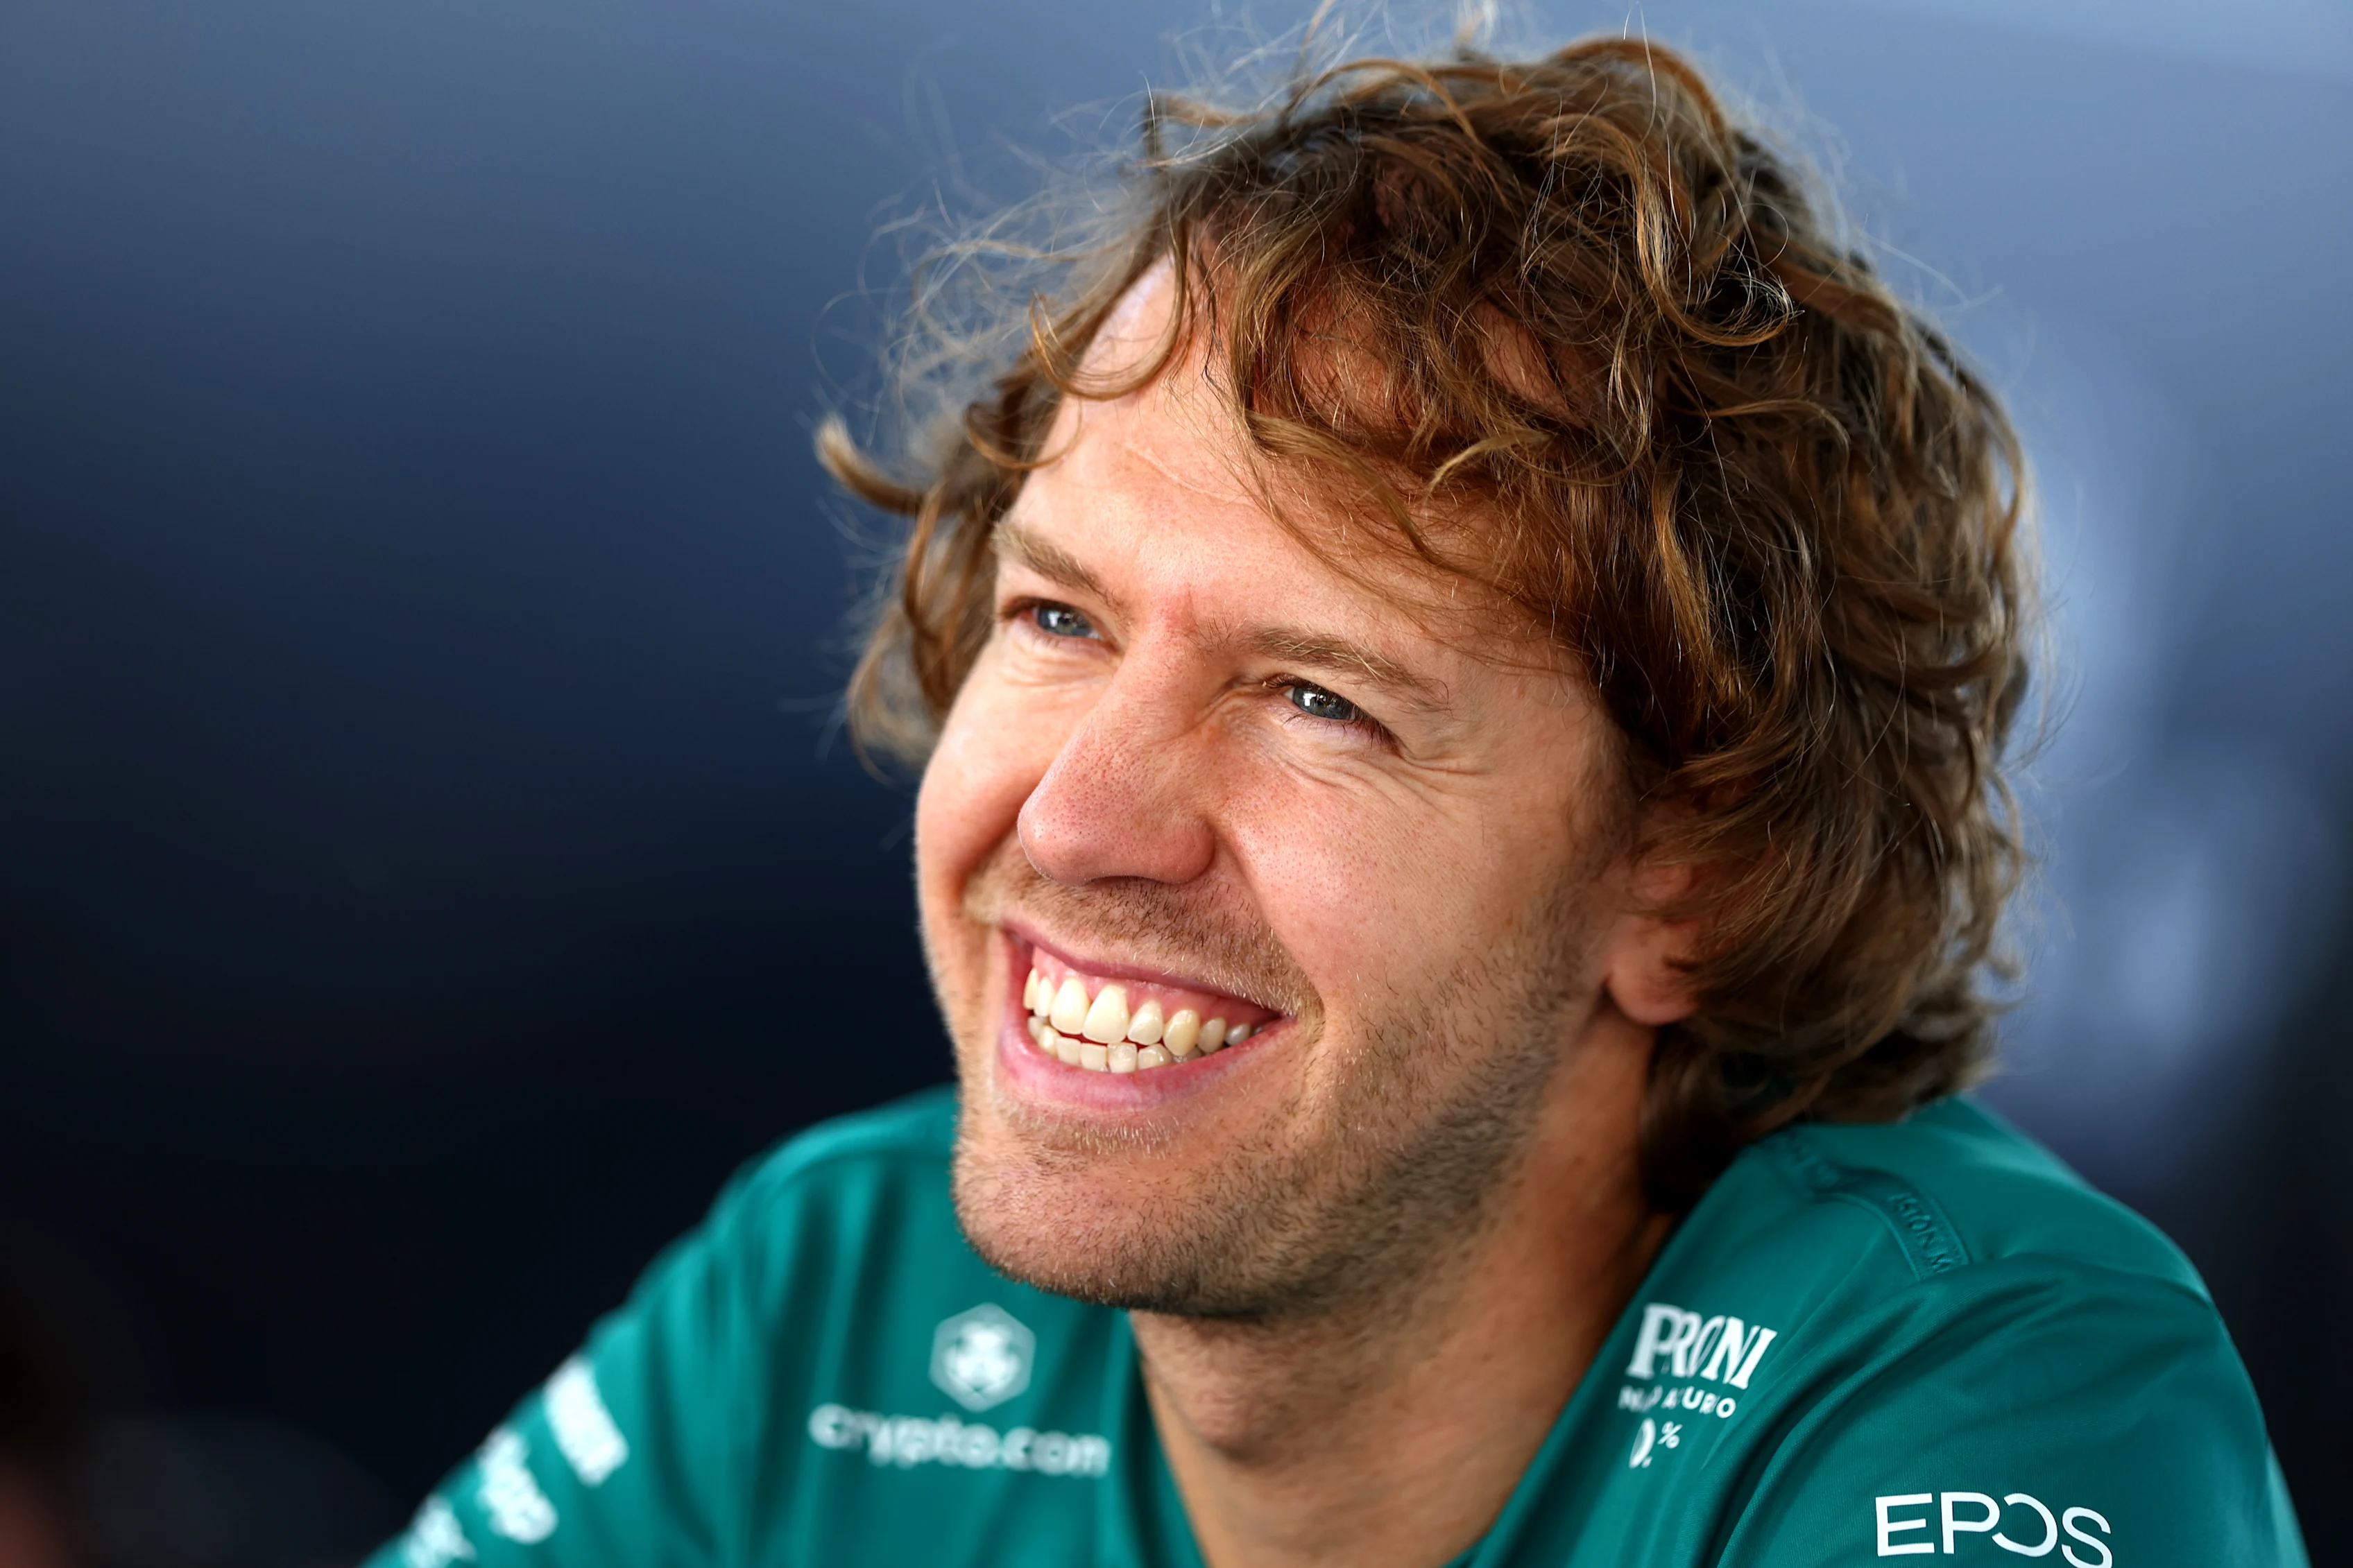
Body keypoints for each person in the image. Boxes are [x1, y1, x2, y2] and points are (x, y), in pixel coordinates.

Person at [370, 28, 2305, 1568]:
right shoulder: (835, 1292)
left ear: (1694, 879)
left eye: (1318, 699)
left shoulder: (1981, 1391)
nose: (1078, 821)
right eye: (1058, 617)